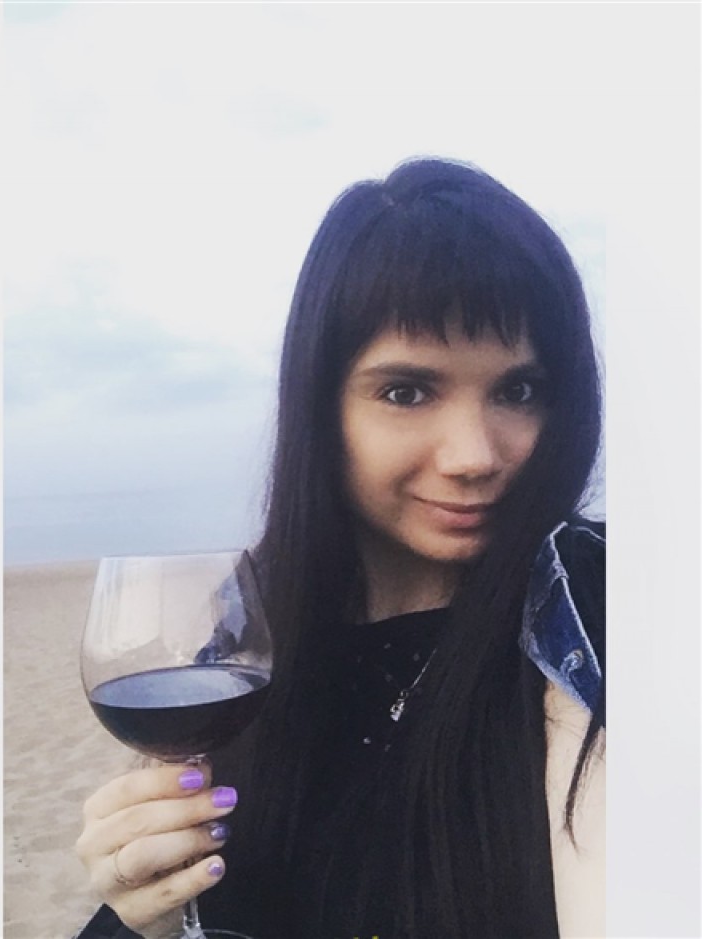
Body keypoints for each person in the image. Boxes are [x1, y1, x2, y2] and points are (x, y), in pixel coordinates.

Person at [75, 156, 605, 939]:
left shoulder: (586, 606)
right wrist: (138, 906)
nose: (474, 454)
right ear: (322, 406)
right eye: (407, 391)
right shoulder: (256, 631)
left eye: (517, 390)